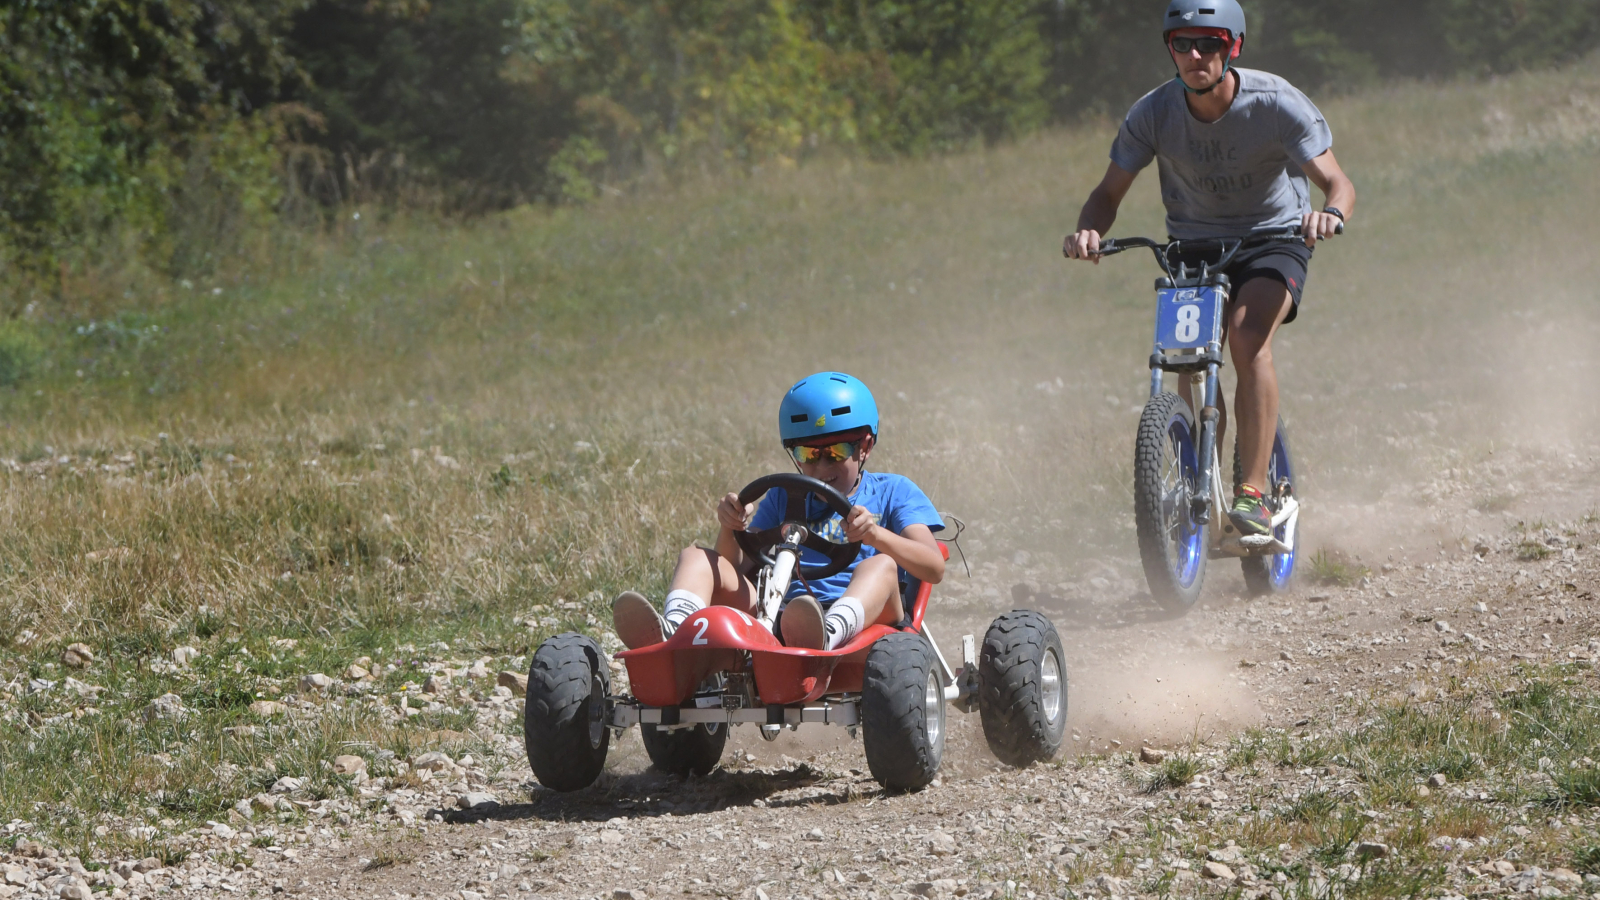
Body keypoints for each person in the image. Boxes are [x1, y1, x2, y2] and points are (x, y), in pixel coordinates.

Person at [1063, 0, 1355, 536]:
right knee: (1188, 360)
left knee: (1245, 340)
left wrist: (1330, 213)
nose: (1196, 55)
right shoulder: (1152, 113)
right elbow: (1107, 193)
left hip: (1275, 237)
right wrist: (1090, 231)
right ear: (1169, 49)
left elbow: (1338, 182)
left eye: (1211, 44)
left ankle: (1252, 494)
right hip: (1193, 244)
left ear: (1234, 47)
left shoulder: (1275, 103)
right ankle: (1196, 480)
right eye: (1183, 44)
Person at [612, 372, 945, 651]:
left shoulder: (893, 491)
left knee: (881, 565)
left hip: (868, 623)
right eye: (808, 454)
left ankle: (827, 633)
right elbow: (736, 566)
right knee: (697, 556)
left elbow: (933, 567)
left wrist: (875, 535)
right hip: (783, 616)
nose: (821, 467)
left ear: (865, 447)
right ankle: (674, 634)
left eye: (836, 452)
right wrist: (732, 525)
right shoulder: (784, 496)